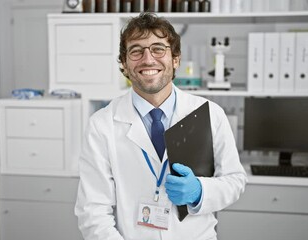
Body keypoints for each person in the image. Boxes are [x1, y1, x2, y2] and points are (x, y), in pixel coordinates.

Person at [75, 12, 247, 240]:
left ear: (175, 59)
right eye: (136, 51)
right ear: (125, 64)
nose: (148, 59)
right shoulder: (102, 125)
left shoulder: (210, 113)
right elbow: (93, 211)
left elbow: (235, 181)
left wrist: (199, 191)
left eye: (158, 49)